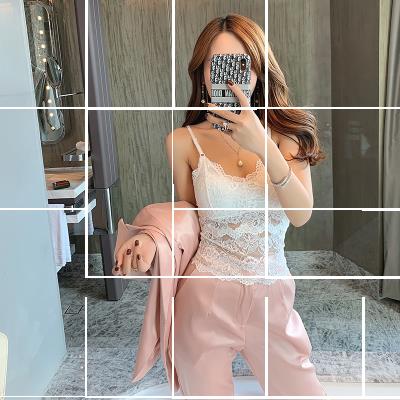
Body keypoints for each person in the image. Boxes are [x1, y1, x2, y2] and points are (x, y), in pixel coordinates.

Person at [114, 13, 327, 397]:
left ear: (259, 70)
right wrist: (153, 239)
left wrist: (262, 145)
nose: (230, 80)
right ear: (202, 73)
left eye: (241, 65)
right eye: (218, 66)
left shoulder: (287, 135)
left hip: (273, 300)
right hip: (205, 299)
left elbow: (301, 214)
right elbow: (188, 220)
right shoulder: (182, 142)